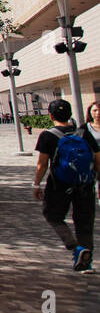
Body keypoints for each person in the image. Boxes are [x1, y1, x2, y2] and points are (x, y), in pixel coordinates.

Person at [33, 99, 100, 272]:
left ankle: (75, 247)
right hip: (85, 184)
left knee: (52, 215)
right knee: (84, 222)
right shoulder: (84, 132)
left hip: (59, 185)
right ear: (70, 114)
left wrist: (36, 184)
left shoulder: (47, 135)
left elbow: (42, 164)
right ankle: (86, 262)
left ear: (50, 115)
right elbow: (98, 158)